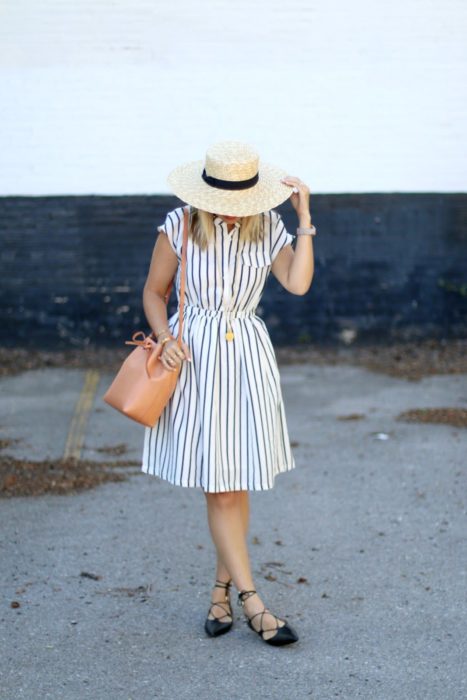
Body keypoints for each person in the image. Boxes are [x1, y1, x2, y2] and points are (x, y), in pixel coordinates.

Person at [141, 140, 315, 646]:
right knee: (218, 485)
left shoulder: (269, 228)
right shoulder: (179, 225)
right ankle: (252, 601)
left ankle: (220, 589)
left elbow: (298, 284)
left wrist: (304, 218)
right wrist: (166, 338)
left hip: (247, 358)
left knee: (234, 479)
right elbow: (154, 293)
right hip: (194, 358)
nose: (227, 210)